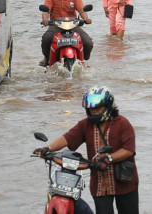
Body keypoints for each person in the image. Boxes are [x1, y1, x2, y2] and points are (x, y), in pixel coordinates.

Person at [33, 86, 139, 214]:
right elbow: (68, 138)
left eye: (97, 108)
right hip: (99, 185)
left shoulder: (122, 123)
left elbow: (129, 150)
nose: (93, 111)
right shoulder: (85, 124)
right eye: (91, 108)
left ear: (107, 106)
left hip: (124, 182)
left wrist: (108, 158)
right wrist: (47, 148)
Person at [40, 0, 93, 67]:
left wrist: (86, 19)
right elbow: (46, 10)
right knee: (46, 39)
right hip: (56, 25)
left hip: (73, 25)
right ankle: (47, 58)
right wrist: (45, 19)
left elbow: (81, 10)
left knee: (88, 42)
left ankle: (83, 60)